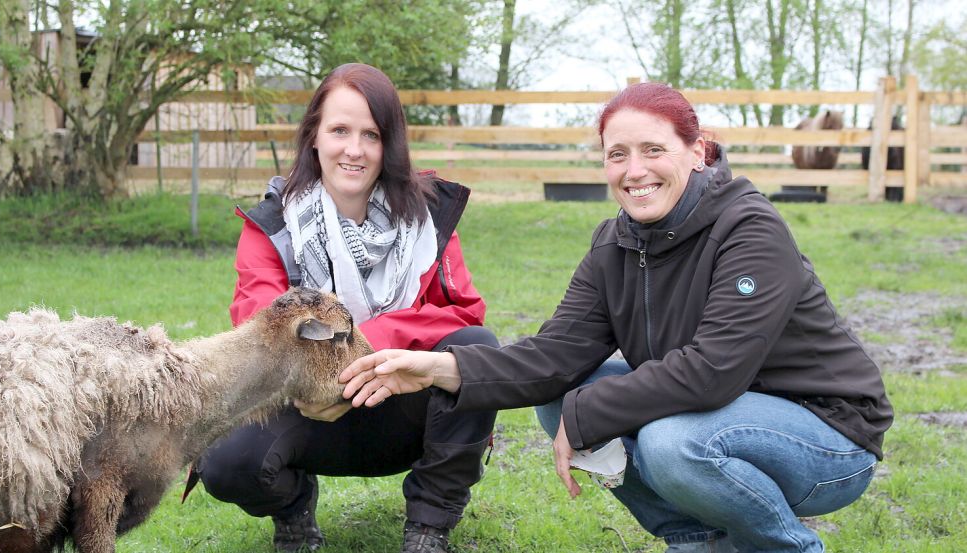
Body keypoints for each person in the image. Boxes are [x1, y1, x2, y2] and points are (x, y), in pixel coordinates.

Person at [341, 82, 893, 553]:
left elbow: (713, 370)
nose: (635, 172)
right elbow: (553, 357)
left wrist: (587, 412)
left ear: (697, 152)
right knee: (559, 398)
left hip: (827, 432)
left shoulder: (750, 230)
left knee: (672, 443)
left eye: (654, 149)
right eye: (617, 154)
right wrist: (436, 368)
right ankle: (695, 541)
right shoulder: (615, 243)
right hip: (721, 413)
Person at [195, 63, 498, 553]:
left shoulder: (429, 221)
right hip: (307, 407)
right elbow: (260, 325)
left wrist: (372, 343)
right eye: (339, 130)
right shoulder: (270, 224)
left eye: (371, 134)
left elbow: (465, 316)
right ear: (314, 135)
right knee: (226, 462)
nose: (354, 150)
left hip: (400, 402)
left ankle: (429, 525)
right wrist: (326, 370)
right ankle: (293, 510)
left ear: (390, 144)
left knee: (476, 351)